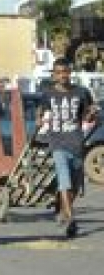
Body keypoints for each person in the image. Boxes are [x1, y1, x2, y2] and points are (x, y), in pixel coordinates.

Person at [38, 57, 97, 238]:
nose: (62, 75)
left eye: (65, 72)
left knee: (76, 186)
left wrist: (91, 115)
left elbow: (88, 116)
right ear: (54, 75)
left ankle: (62, 208)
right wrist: (40, 119)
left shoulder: (81, 92)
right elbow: (41, 112)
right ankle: (71, 220)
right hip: (57, 143)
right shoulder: (48, 94)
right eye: (58, 72)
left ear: (70, 73)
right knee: (65, 181)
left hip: (76, 143)